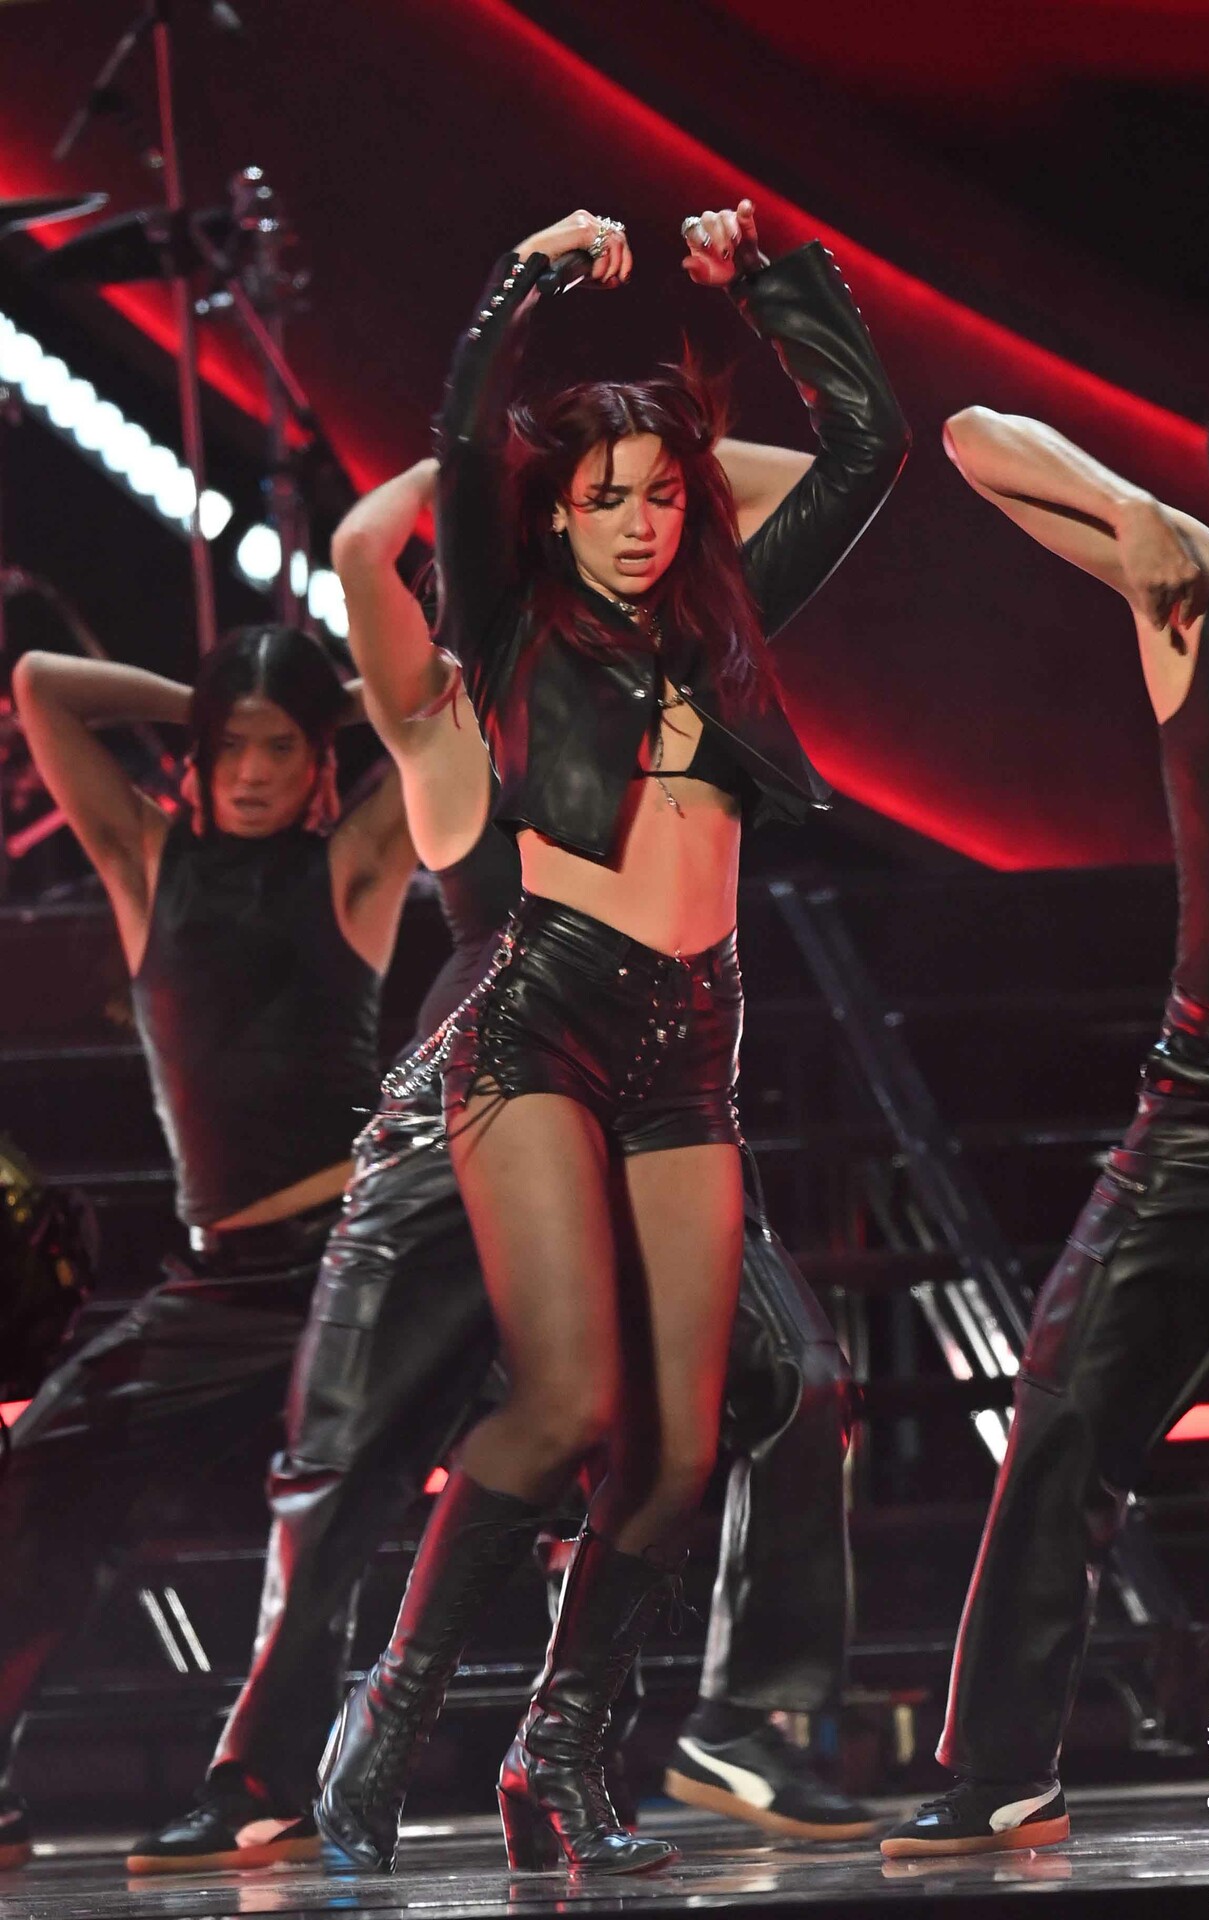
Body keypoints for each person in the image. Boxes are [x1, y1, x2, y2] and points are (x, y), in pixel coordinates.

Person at [127, 446, 883, 1874]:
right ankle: (270, 1772)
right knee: (347, 1459)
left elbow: (802, 479)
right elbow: (365, 546)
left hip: (644, 1095)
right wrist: (494, 461)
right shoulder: (441, 712)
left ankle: (670, 1732)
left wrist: (621, 462)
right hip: (467, 1104)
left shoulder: (648, 678)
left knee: (780, 1382)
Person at [314, 200, 909, 1877]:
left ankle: (556, 1758)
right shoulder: (508, 622)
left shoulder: (725, 620)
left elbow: (866, 445)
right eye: (604, 498)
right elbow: (457, 448)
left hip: (693, 1043)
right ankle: (386, 1714)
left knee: (686, 1441)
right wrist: (526, 277)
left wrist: (770, 281)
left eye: (661, 494)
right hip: (543, 1018)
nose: (639, 525)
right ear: (553, 512)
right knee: (571, 1398)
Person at [882, 401, 1209, 1858]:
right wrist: (1129, 509)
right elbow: (973, 438)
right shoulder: (1195, 594)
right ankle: (1000, 1773)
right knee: (1066, 1401)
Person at [0, 628, 415, 1873]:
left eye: (278, 746)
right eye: (227, 746)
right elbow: (40, 686)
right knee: (39, 1463)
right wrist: (213, 697)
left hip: (351, 1265)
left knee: (336, 1510)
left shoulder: (352, 864)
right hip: (217, 1282)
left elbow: (449, 705)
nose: (249, 770)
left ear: (317, 759)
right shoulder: (146, 860)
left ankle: (266, 1790)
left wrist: (330, 703)